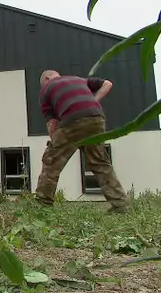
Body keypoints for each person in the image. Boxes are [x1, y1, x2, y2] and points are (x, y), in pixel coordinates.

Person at [35, 70, 130, 213]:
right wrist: (94, 100)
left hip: (72, 120)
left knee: (51, 161)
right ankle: (121, 205)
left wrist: (55, 144)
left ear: (47, 78)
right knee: (100, 162)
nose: (43, 86)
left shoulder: (46, 89)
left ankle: (42, 205)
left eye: (42, 84)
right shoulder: (79, 79)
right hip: (97, 118)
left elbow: (52, 122)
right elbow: (107, 83)